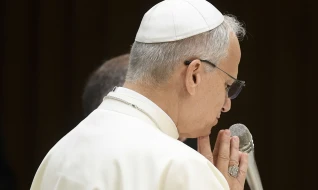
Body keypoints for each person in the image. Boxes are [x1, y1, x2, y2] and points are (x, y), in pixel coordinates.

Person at [31, 0, 248, 189]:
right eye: (228, 85)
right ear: (194, 75)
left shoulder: (59, 155)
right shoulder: (182, 169)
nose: (226, 104)